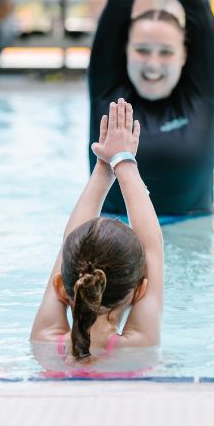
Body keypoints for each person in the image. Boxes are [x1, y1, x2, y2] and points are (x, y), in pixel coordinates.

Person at [88, 0, 214, 220]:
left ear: (184, 56)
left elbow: (199, 11)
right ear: (124, 51)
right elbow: (119, 2)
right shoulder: (108, 90)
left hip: (196, 233)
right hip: (113, 243)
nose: (152, 63)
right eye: (142, 50)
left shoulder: (200, 92)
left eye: (165, 52)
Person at [30, 98, 164, 363]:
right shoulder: (139, 347)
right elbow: (152, 247)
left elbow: (70, 243)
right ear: (140, 291)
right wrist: (122, 161)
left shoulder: (44, 340)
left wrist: (102, 168)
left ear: (60, 285)